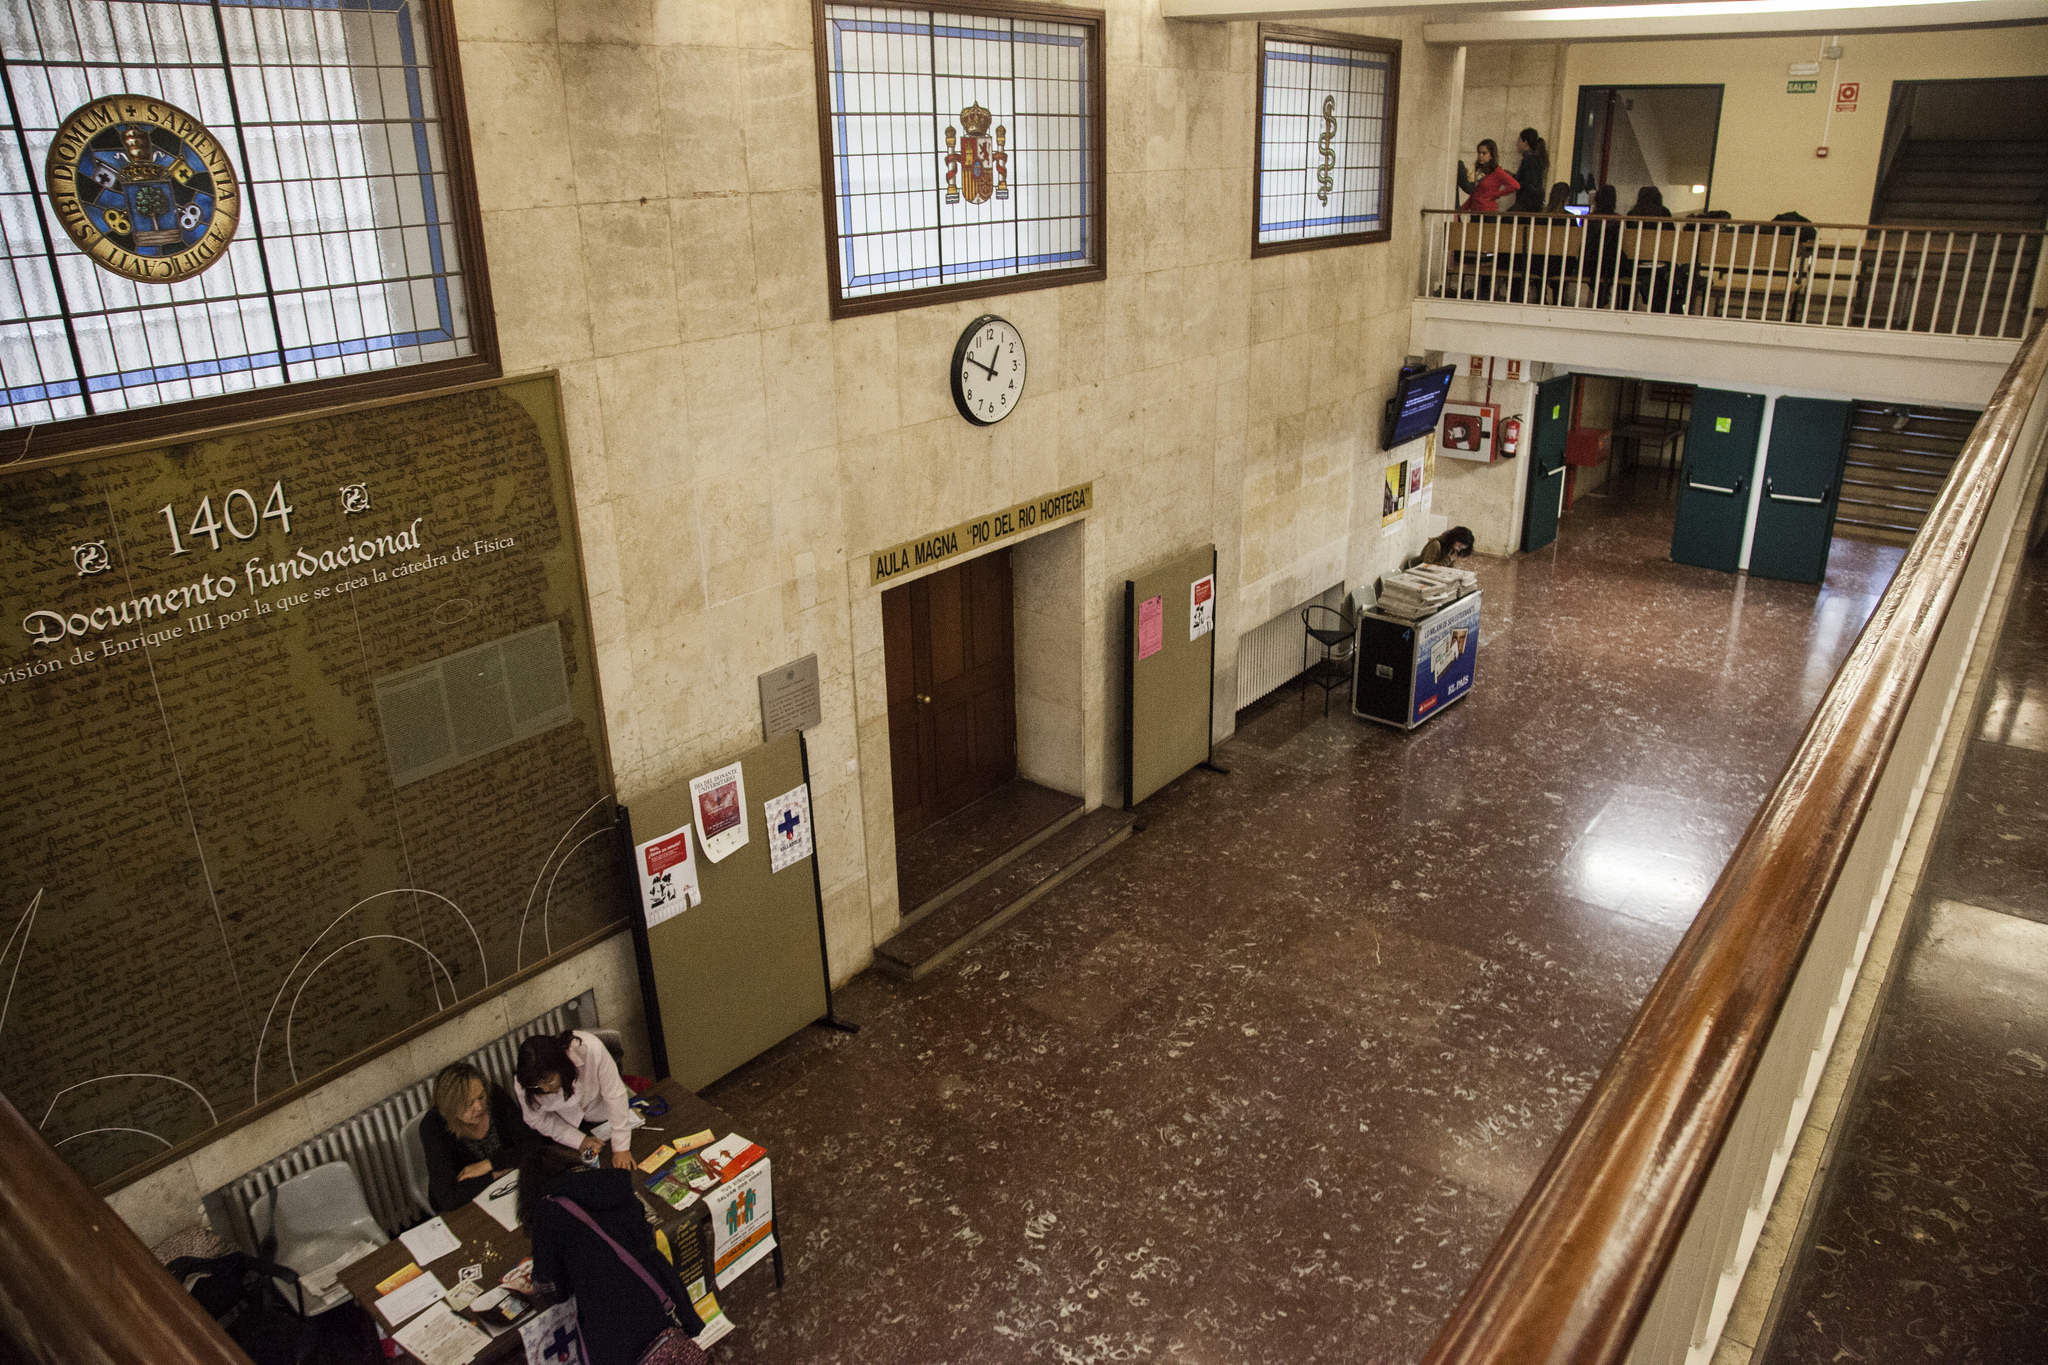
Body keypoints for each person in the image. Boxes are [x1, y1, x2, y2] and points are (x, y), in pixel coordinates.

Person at [520, 1143, 705, 1365]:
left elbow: (552, 1288)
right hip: (658, 1295)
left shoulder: (548, 1211)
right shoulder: (613, 1182)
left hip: (614, 1326)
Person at [421, 1061, 538, 1212]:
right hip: (470, 1205)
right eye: (468, 1103)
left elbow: (533, 1145)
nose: (479, 1107)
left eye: (481, 1097)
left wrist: (489, 1164)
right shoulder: (432, 1126)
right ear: (449, 1106)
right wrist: (497, 1173)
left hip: (513, 1188)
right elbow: (448, 1198)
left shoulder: (493, 1095)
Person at [515, 1030, 638, 1170]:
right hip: (567, 1128)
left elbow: (614, 1095)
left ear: (560, 1065)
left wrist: (621, 1148)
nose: (545, 1090)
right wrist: (578, 1140)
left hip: (606, 1116)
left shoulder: (590, 1049)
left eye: (550, 1081)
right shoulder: (525, 1083)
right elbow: (537, 1119)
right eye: (538, 1086)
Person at [1457, 140, 1518, 213]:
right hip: (1475, 211)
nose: (1481, 156)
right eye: (1479, 153)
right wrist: (1463, 209)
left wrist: (1496, 195)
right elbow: (1474, 194)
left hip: (1488, 212)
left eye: (1484, 153)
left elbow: (1515, 185)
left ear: (1491, 155)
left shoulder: (1497, 171)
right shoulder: (1478, 170)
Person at [1509, 129, 1550, 213]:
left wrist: (1513, 179)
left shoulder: (1529, 160)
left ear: (1525, 142)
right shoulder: (1534, 159)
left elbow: (1528, 181)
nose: (1517, 145)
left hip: (1527, 204)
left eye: (1519, 141)